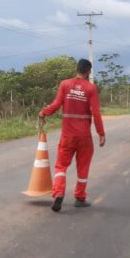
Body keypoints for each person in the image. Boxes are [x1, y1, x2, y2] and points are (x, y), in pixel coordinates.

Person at [39, 59, 106, 212]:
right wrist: (101, 134)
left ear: (76, 69)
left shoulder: (65, 84)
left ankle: (59, 192)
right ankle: (80, 198)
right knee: (83, 167)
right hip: (84, 137)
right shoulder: (91, 88)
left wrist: (44, 112)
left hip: (67, 136)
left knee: (61, 166)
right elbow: (96, 113)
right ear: (88, 71)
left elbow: (56, 105)